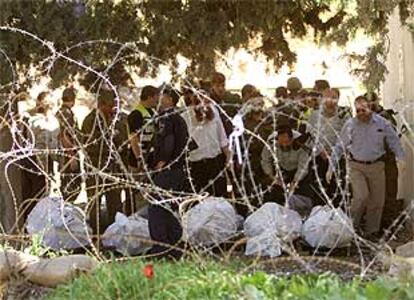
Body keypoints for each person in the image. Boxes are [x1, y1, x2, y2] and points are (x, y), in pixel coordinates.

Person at [330, 95, 405, 239]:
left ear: (370, 108)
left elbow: (394, 141)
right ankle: (351, 228)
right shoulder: (350, 125)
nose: (360, 114)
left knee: (377, 201)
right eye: (357, 111)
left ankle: (371, 232)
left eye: (363, 110)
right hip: (356, 166)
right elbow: (340, 146)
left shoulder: (382, 123)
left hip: (377, 165)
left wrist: (400, 159)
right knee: (361, 196)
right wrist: (331, 166)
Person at [148, 86, 189, 259]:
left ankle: (160, 249)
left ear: (170, 99)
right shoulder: (178, 118)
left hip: (168, 170)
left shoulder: (167, 118)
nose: (159, 98)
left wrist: (161, 162)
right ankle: (175, 247)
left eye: (162, 95)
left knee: (157, 207)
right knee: (170, 208)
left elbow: (168, 142)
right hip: (178, 169)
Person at [81, 89, 123, 234]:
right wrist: (110, 137)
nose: (113, 109)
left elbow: (121, 140)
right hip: (95, 166)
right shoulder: (91, 121)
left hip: (111, 166)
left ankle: (114, 232)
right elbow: (93, 143)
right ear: (102, 104)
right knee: (95, 202)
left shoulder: (113, 119)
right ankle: (96, 233)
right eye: (110, 105)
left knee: (114, 201)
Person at [181, 90, 230, 198]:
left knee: (220, 193)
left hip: (215, 161)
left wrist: (228, 156)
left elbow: (222, 136)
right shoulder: (185, 117)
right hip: (197, 164)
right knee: (200, 197)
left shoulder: (214, 111)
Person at [365, 92, 401, 230]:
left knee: (389, 194)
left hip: (387, 162)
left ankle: (388, 226)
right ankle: (376, 226)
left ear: (377, 101)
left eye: (372, 102)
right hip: (373, 164)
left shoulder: (386, 118)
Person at [307, 89, 350, 204]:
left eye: (334, 98)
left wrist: (334, 151)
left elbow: (348, 136)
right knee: (319, 192)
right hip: (319, 158)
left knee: (338, 191)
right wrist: (321, 151)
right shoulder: (314, 116)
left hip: (338, 158)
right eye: (327, 98)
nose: (330, 101)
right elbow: (309, 137)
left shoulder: (344, 115)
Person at [126, 85, 158, 215]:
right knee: (138, 193)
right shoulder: (136, 114)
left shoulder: (152, 112)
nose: (157, 100)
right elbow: (134, 138)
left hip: (150, 159)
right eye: (155, 97)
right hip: (138, 160)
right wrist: (139, 158)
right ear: (149, 97)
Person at [261, 126, 311, 204]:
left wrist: (295, 182)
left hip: (297, 170)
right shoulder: (272, 142)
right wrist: (272, 176)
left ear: (292, 139)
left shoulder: (301, 143)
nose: (284, 145)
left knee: (304, 191)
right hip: (281, 168)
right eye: (281, 143)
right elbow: (265, 160)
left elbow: (303, 167)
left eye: (287, 142)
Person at [56, 87, 81, 203]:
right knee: (71, 184)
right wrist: (72, 156)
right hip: (68, 153)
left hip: (67, 153)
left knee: (71, 183)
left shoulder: (63, 112)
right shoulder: (66, 113)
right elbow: (64, 135)